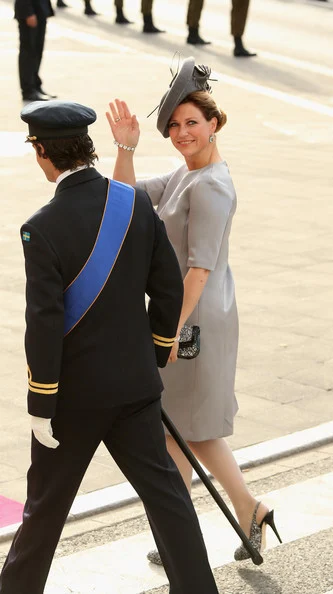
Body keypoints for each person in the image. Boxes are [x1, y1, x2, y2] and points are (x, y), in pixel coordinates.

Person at [0, 100, 219, 594]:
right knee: (167, 500)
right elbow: (167, 286)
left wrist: (42, 402)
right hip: (135, 389)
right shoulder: (133, 203)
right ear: (86, 147)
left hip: (73, 400)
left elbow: (44, 322)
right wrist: (159, 345)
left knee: (45, 512)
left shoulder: (42, 226)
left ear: (42, 153)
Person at [106, 57, 282, 566]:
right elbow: (123, 199)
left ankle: (235, 512)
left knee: (188, 430)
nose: (182, 132)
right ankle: (231, 515)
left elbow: (198, 271)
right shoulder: (186, 175)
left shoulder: (211, 186)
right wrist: (125, 147)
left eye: (192, 123)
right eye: (175, 125)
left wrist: (168, 333)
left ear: (215, 124)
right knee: (182, 431)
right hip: (195, 318)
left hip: (196, 321)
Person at [14, 0, 57, 102]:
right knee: (28, 52)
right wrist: (28, 12)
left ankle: (35, 85)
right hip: (29, 11)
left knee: (37, 51)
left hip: (40, 9)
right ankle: (28, 90)